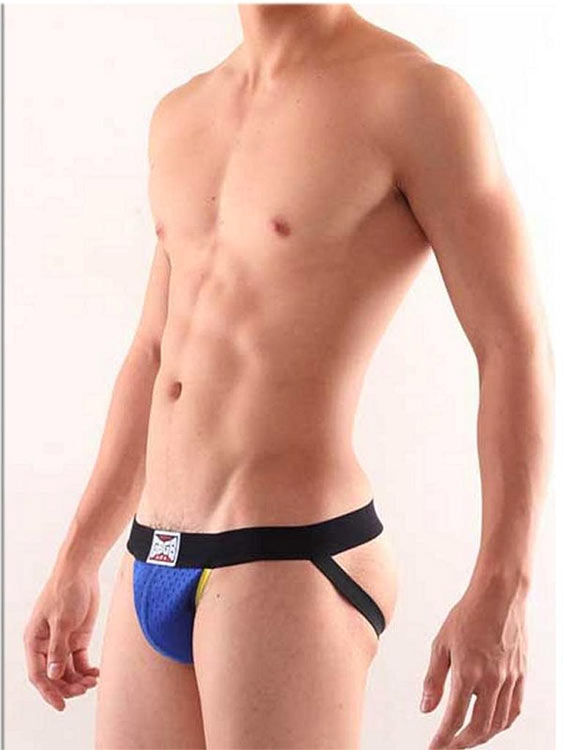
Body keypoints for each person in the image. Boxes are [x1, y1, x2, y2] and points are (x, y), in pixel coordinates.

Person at [24, 4, 554, 749]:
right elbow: (153, 352)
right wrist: (78, 555)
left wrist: (504, 586)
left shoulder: (413, 98)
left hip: (293, 554)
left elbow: (513, 344)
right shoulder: (181, 114)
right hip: (154, 551)